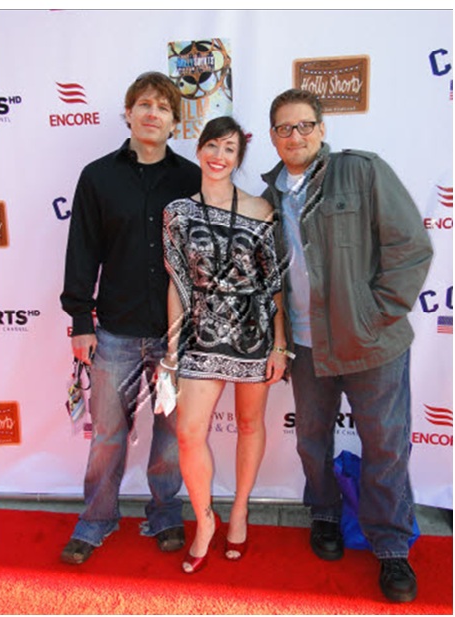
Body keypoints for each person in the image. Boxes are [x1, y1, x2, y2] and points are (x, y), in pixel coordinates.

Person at [262, 89, 433, 603]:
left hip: (371, 343)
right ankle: (325, 513)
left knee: (385, 444)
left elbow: (411, 246)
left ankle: (390, 545)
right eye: (284, 128)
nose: (295, 136)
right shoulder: (267, 197)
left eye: (304, 125)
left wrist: (375, 314)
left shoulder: (361, 171)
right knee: (311, 440)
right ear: (273, 136)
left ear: (322, 129)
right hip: (306, 346)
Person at [59, 71, 201, 564]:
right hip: (115, 331)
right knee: (106, 436)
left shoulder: (192, 179)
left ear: (174, 122)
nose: (152, 113)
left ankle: (165, 513)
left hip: (175, 336)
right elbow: (83, 250)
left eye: (162, 107)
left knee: (172, 436)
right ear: (128, 113)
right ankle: (97, 518)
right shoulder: (98, 176)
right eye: (144, 104)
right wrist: (81, 319)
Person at [160, 116, 289, 574]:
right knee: (189, 433)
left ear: (238, 159)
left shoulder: (260, 209)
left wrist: (280, 345)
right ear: (199, 149)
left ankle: (239, 511)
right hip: (200, 336)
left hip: (254, 335)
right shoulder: (178, 212)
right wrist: (172, 353)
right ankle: (205, 520)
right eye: (212, 145)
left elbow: (274, 284)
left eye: (230, 149)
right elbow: (177, 283)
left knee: (250, 425)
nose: (219, 155)